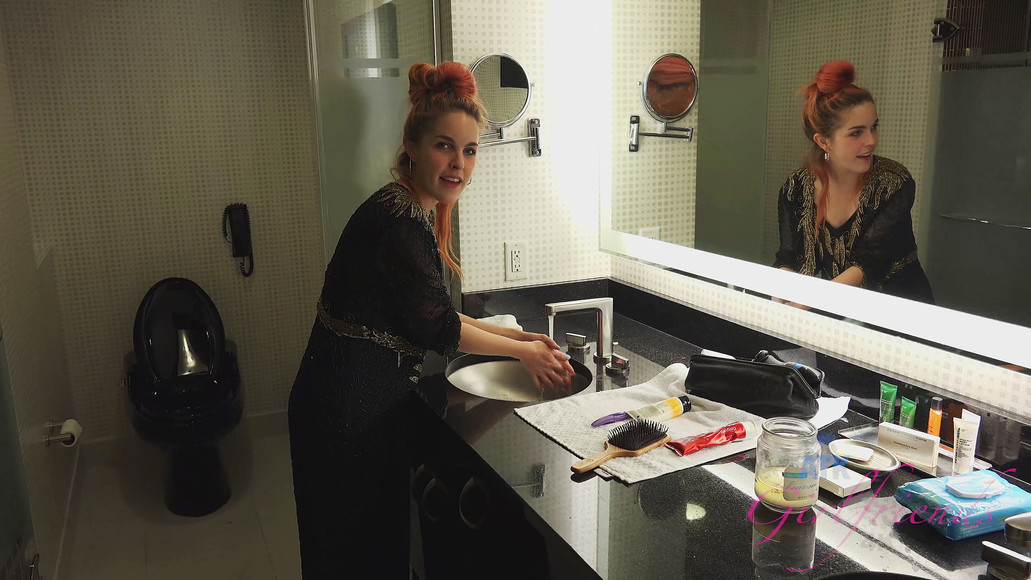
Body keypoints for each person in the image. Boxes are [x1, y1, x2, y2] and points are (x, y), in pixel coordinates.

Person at [287, 61, 574, 579]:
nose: (458, 164)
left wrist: (519, 337)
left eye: (470, 150)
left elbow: (430, 310)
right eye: (445, 146)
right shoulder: (401, 221)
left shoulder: (403, 206)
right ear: (413, 147)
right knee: (355, 559)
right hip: (344, 414)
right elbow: (441, 331)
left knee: (357, 556)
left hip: (345, 402)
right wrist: (523, 351)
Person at [774, 60, 934, 305]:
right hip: (840, 308)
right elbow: (789, 257)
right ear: (824, 142)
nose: (871, 140)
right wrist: (779, 298)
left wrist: (807, 301)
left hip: (901, 311)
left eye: (874, 127)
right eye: (856, 132)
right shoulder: (796, 187)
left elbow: (869, 262)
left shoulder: (892, 183)